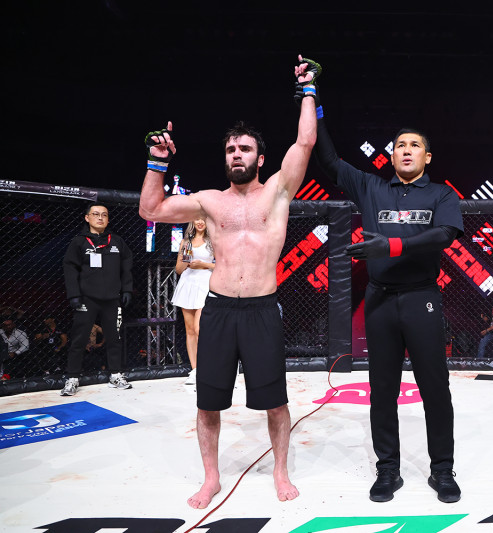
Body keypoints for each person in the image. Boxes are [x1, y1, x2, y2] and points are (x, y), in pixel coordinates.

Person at [138, 55, 318, 510]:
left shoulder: (278, 191)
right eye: (231, 150)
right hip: (218, 308)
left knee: (275, 402)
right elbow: (150, 210)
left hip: (262, 309)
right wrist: (157, 161)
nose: (236, 155)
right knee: (208, 403)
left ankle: (280, 471)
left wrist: (308, 89)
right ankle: (211, 478)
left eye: (245, 149)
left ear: (260, 157)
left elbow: (305, 141)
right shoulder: (209, 202)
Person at [309, 76, 464, 504]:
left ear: (427, 156)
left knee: (435, 388)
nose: (406, 150)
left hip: (421, 298)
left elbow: (444, 235)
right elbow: (327, 159)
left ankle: (442, 470)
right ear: (392, 155)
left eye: (414, 145)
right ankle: (388, 470)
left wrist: (392, 245)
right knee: (382, 390)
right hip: (380, 300)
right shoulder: (371, 187)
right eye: (400, 145)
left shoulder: (441, 195)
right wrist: (313, 100)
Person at [61, 204, 133, 396]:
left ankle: (115, 374)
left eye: (104, 215)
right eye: (95, 214)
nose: (100, 218)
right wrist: (74, 294)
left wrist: (127, 289)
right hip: (87, 298)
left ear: (108, 219)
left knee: (114, 338)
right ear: (87, 218)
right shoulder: (79, 242)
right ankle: (72, 378)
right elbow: (69, 268)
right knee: (79, 339)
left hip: (112, 299)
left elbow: (127, 264)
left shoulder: (116, 241)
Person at [172, 217, 215, 385]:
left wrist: (203, 264)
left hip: (205, 284)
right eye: (197, 218)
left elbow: (221, 265)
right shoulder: (186, 242)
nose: (200, 222)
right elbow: (179, 269)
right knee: (190, 330)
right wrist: (186, 255)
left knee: (200, 329)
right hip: (188, 284)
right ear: (192, 221)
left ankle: (209, 369)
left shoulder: (213, 241)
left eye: (203, 218)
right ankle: (195, 370)